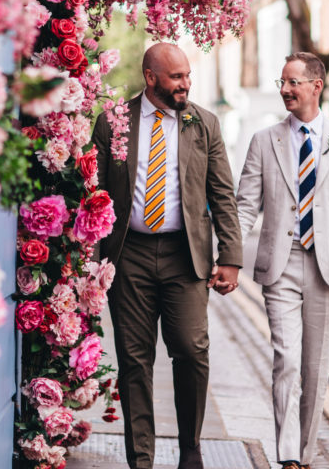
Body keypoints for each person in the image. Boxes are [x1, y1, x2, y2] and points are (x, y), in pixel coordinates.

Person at [93, 42, 242, 469]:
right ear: (151, 76)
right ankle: (141, 459)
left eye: (188, 76)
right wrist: (89, 257)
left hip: (185, 255)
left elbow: (222, 196)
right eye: (176, 77)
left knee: (192, 350)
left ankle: (191, 448)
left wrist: (229, 254)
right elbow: (94, 195)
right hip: (129, 256)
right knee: (135, 360)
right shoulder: (113, 122)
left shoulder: (204, 123)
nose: (186, 84)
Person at [236, 51, 329, 469]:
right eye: (282, 82)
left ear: (317, 85)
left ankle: (307, 453)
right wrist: (224, 255)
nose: (284, 89)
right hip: (280, 263)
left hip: (328, 268)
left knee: (315, 369)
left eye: (293, 82)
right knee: (287, 360)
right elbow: (245, 207)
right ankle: (287, 456)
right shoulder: (265, 140)